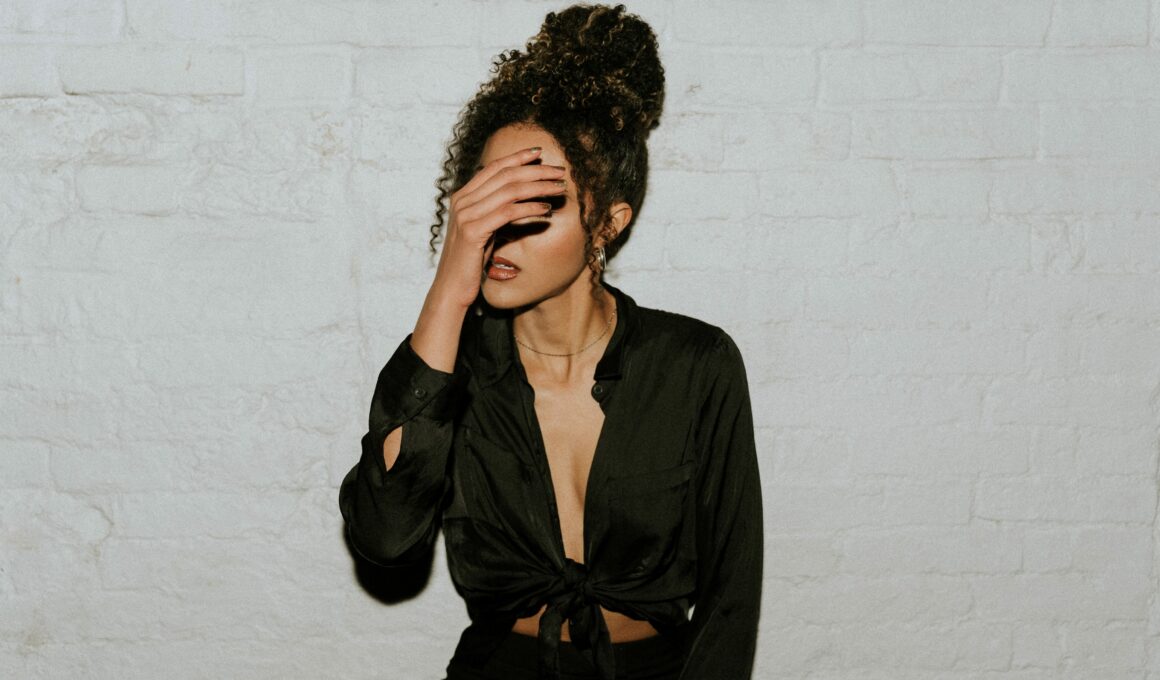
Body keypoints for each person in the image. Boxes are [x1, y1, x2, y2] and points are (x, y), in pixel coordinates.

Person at [339, 4, 763, 679]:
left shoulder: (694, 365)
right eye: (487, 200)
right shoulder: (446, 362)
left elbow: (731, 597)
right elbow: (386, 541)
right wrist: (448, 289)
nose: (501, 234)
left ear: (607, 222)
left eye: (535, 205)